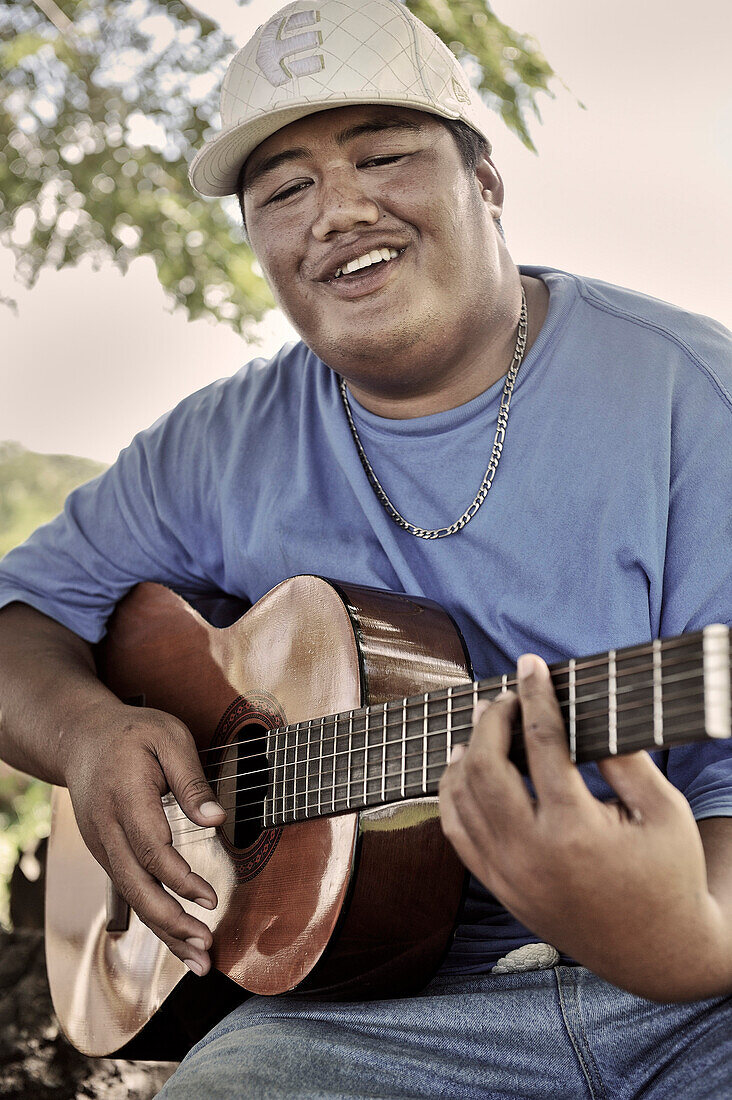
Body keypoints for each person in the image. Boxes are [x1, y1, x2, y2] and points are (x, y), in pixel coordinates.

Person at [0, 0, 731, 1095]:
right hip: (381, 1017)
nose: (336, 209)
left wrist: (681, 940)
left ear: (486, 180)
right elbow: (20, 627)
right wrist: (92, 730)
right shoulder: (213, 445)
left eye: (383, 153)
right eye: (283, 189)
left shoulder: (692, 395)